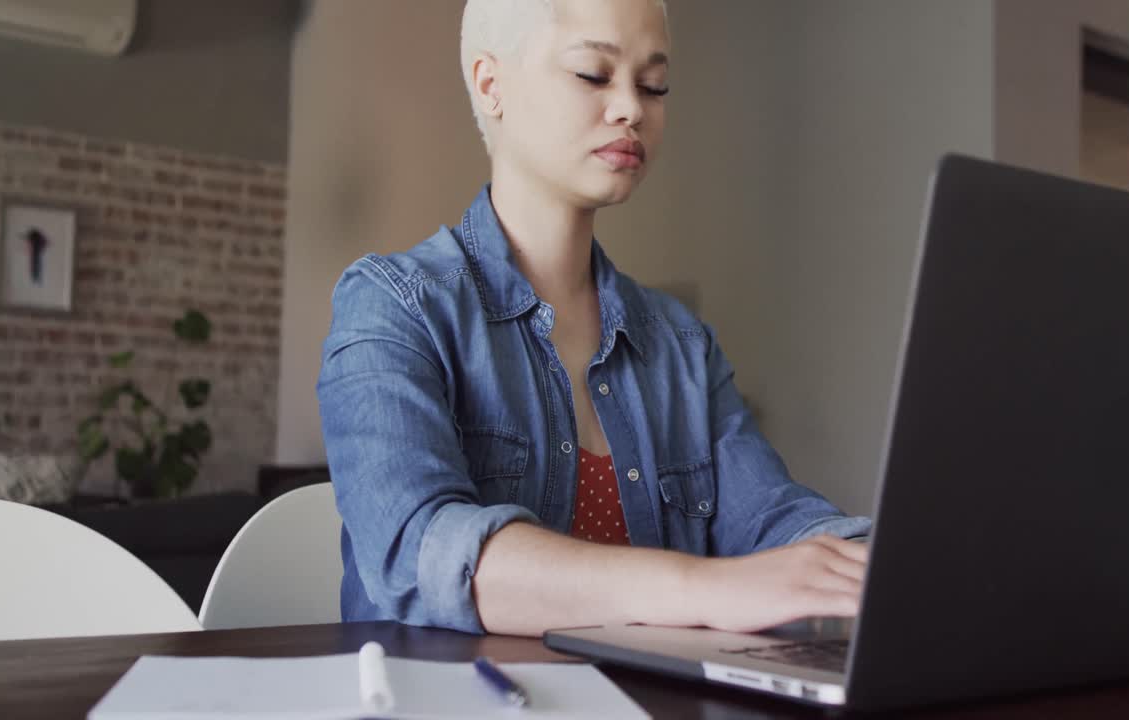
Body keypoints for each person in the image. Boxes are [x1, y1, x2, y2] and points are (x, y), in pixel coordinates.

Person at [317, 0, 870, 638]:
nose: (632, 107)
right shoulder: (393, 303)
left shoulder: (680, 341)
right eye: (593, 74)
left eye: (654, 84)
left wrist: (888, 566)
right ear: (491, 84)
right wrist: (700, 588)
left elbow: (775, 523)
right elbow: (422, 550)